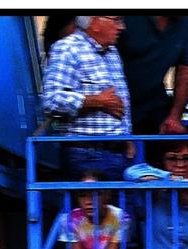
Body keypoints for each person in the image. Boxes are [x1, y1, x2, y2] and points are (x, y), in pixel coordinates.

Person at [40, 14, 132, 180]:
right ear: (95, 22)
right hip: (86, 156)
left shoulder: (112, 53)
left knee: (117, 206)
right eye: (116, 20)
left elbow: (119, 100)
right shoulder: (67, 48)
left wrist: (127, 136)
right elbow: (51, 101)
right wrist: (97, 101)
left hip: (117, 154)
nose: (122, 27)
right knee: (89, 206)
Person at [117, 13, 188, 138]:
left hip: (154, 105)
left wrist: (175, 117)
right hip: (117, 102)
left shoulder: (186, 20)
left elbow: (185, 69)